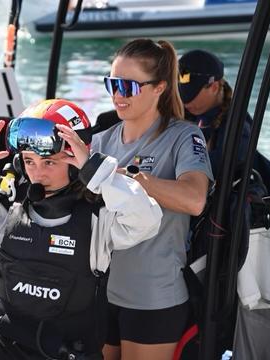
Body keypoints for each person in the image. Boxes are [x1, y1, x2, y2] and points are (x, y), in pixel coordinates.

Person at [0, 99, 163, 359]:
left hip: (66, 352)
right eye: (30, 162)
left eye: (50, 163)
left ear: (75, 162)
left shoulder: (101, 214)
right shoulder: (5, 203)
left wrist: (96, 171)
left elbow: (147, 220)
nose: (38, 173)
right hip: (2, 339)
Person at [93, 39, 213, 360]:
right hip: (101, 289)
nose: (118, 95)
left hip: (153, 296)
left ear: (159, 87)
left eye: (128, 86)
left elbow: (195, 199)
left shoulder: (183, 136)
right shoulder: (100, 140)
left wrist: (130, 180)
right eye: (112, 84)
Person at [178, 49, 270, 191]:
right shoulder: (186, 114)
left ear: (214, 87)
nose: (185, 102)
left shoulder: (238, 125)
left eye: (191, 95)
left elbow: (223, 165)